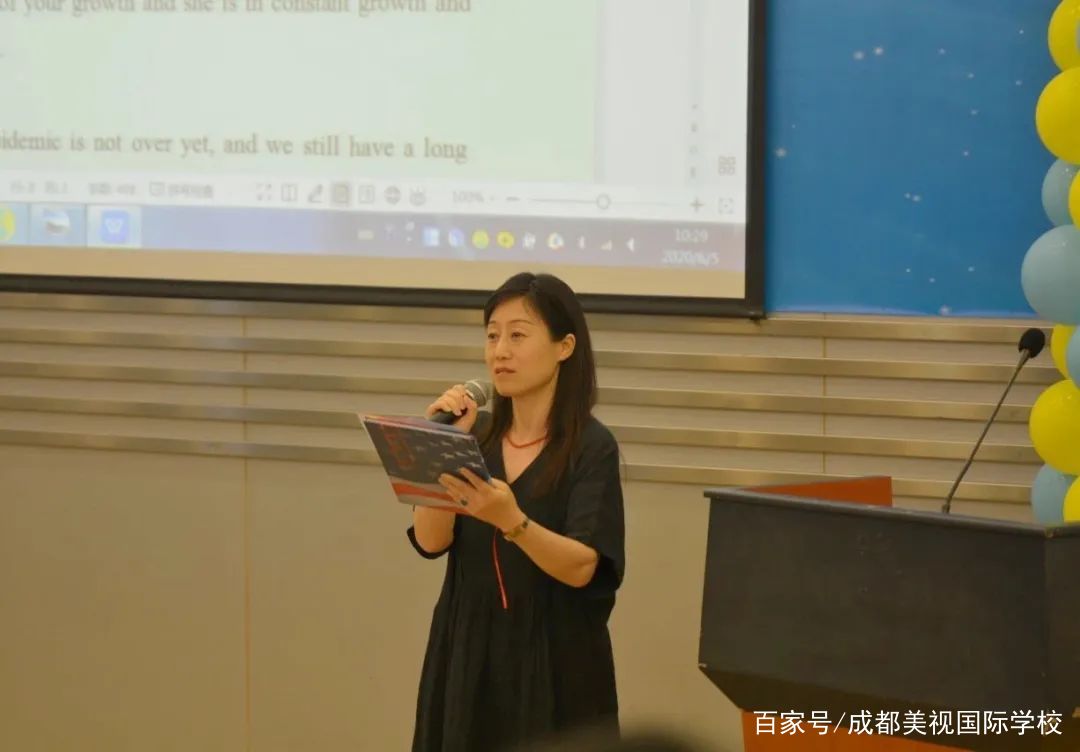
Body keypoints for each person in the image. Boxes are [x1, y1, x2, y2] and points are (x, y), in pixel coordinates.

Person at [406, 271, 626, 752]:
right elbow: (431, 540)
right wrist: (438, 447)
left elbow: (583, 566)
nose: (500, 351)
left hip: (554, 657)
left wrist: (513, 521)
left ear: (564, 346)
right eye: (492, 336)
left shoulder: (591, 447)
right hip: (468, 649)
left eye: (518, 336)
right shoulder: (477, 436)